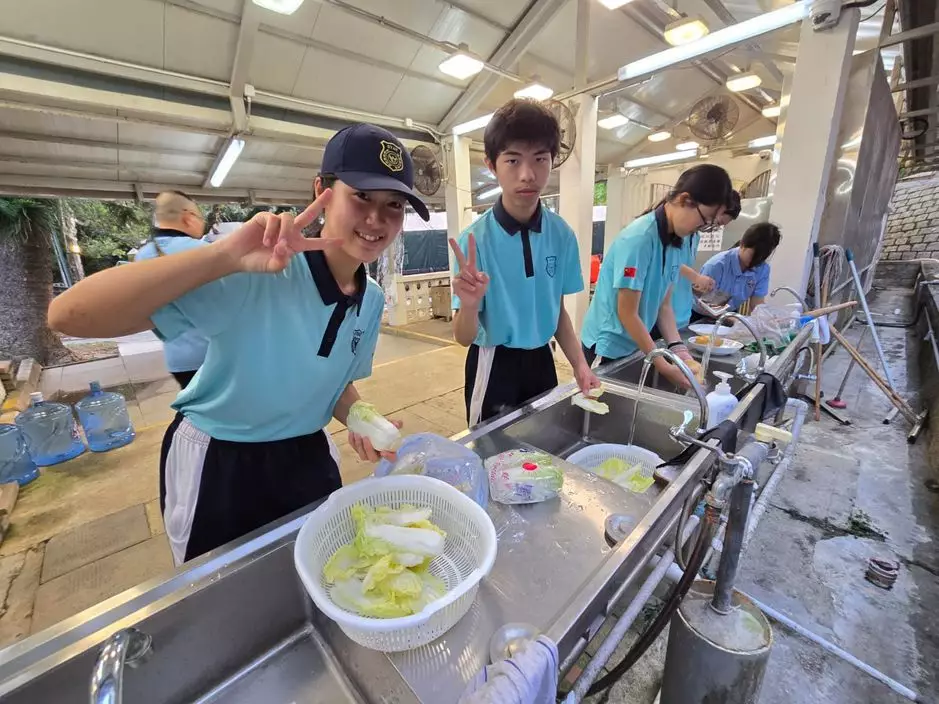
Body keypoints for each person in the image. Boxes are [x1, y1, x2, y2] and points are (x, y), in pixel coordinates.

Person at [49, 123, 430, 564]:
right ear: (321, 191)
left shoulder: (372, 299)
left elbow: (337, 384)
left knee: (316, 573)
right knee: (219, 589)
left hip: (308, 454)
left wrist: (361, 418)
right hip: (221, 461)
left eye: (394, 205)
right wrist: (223, 257)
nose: (376, 219)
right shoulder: (259, 271)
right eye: (361, 196)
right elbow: (68, 315)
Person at [450, 98, 600, 426]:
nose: (528, 175)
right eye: (513, 160)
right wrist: (470, 305)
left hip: (542, 360)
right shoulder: (474, 241)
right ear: (492, 165)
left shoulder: (561, 234)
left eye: (540, 159)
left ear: (552, 161)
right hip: (494, 363)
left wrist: (580, 365)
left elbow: (557, 313)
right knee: (490, 447)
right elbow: (463, 337)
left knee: (544, 442)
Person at [580, 164, 732, 385]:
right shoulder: (639, 239)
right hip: (607, 345)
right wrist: (663, 366)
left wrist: (681, 354)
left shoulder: (676, 241)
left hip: (633, 343)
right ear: (685, 200)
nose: (701, 227)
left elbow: (664, 306)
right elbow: (627, 312)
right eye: (705, 219)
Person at [134, 191, 210, 390]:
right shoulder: (204, 250)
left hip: (178, 358)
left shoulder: (142, 256)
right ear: (188, 217)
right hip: (212, 355)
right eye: (200, 217)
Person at [671, 189, 741, 331]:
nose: (713, 227)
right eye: (717, 222)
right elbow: (667, 262)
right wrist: (695, 277)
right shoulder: (676, 232)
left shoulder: (694, 236)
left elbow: (680, 269)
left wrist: (696, 286)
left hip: (681, 314)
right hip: (664, 313)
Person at [698, 221, 782, 316]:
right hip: (701, 313)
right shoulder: (717, 265)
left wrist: (767, 318)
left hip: (729, 313)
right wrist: (733, 320)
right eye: (753, 255)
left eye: (761, 258)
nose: (755, 262)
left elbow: (756, 303)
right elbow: (706, 302)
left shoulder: (762, 269)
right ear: (742, 244)